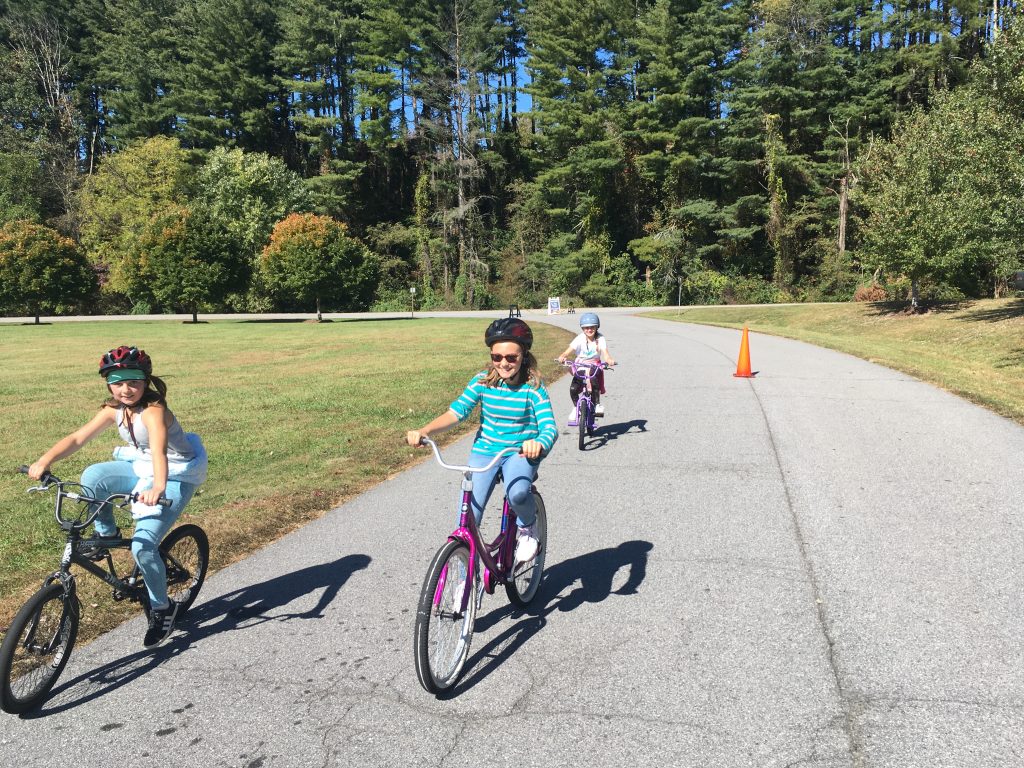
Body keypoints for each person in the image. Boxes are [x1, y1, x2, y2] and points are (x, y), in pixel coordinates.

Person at [28, 345, 207, 648]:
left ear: (146, 381)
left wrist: (158, 488)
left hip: (176, 473)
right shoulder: (114, 410)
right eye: (118, 382)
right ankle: (106, 534)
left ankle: (162, 608)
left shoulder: (154, 412)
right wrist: (45, 460)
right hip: (143, 465)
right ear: (108, 383)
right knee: (93, 476)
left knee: (143, 546)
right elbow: (78, 438)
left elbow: (160, 452)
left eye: (134, 382)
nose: (126, 389)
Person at [406, 318, 557, 563]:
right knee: (468, 519)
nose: (503, 363)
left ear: (524, 356)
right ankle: (463, 578)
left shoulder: (533, 387)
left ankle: (528, 527)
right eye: (497, 357)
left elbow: (549, 427)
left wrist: (538, 443)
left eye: (511, 357)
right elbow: (457, 412)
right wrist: (425, 430)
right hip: (486, 450)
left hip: (519, 451)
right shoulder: (482, 381)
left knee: (518, 494)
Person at [557, 312, 616, 417]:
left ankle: (597, 404)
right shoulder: (579, 338)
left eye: (592, 327)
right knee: (573, 389)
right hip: (580, 365)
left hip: (594, 365)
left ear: (597, 327)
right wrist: (562, 356)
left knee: (593, 379)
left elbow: (605, 354)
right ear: (582, 328)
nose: (589, 330)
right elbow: (567, 351)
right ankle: (576, 407)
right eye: (586, 328)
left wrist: (609, 360)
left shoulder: (600, 338)